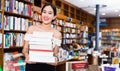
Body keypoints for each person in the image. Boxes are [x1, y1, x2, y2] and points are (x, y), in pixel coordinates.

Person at [22, 3, 62, 71]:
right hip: (32, 66)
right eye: (44, 12)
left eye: (50, 13)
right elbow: (24, 49)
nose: (46, 15)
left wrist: (55, 60)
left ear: (54, 16)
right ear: (41, 13)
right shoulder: (31, 29)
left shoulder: (57, 34)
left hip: (48, 68)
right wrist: (26, 55)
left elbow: (55, 54)